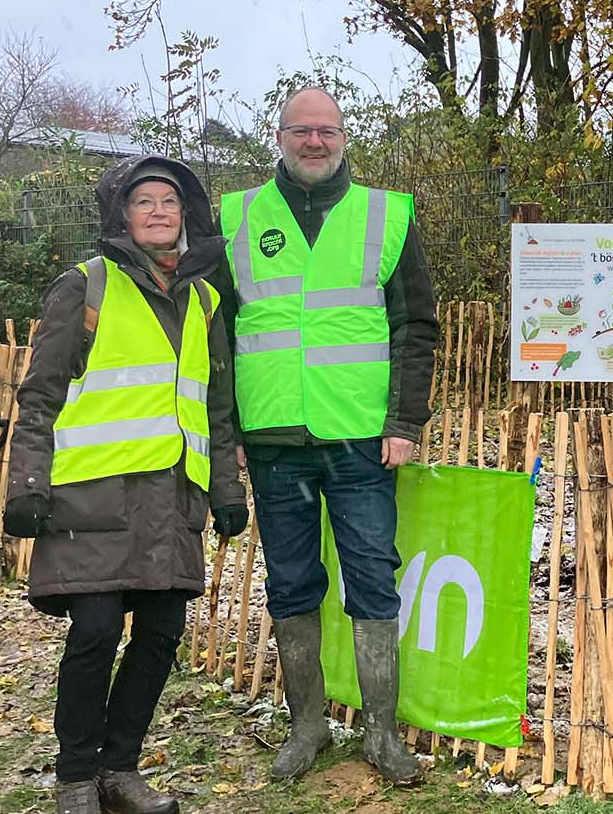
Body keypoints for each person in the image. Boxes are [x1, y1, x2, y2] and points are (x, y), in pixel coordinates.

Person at [5, 154, 248, 814]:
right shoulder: (85, 287)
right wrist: (26, 483)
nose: (159, 212)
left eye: (170, 201)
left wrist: (227, 490)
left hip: (171, 500)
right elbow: (40, 395)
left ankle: (121, 770)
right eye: (144, 202)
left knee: (162, 633)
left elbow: (216, 409)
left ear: (186, 215)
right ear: (122, 215)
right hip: (91, 499)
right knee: (96, 630)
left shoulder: (205, 301)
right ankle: (75, 777)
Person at [213, 86, 439, 783]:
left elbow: (415, 326)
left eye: (327, 131)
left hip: (362, 438)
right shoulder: (235, 216)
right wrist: (229, 427)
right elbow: (218, 332)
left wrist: (404, 422)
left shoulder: (386, 215)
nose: (315, 142)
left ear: (344, 138)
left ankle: (381, 736)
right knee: (290, 584)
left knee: (372, 579)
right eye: (301, 130)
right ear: (278, 137)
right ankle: (307, 726)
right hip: (274, 439)